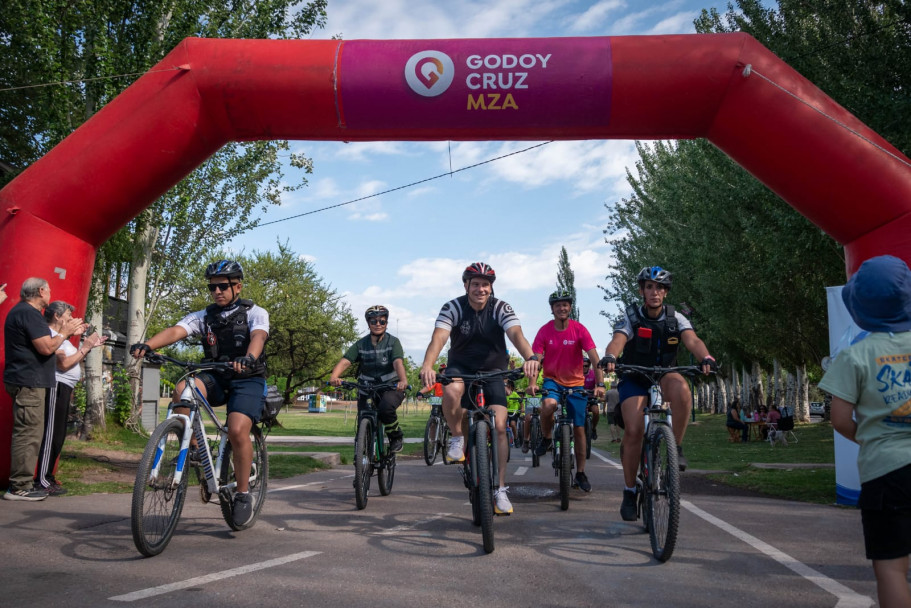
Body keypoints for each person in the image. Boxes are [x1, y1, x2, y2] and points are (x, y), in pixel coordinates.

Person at [130, 260, 268, 527]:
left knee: (238, 429)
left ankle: (242, 494)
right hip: (216, 375)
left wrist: (249, 358)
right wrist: (147, 344)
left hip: (247, 377)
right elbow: (176, 331)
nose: (217, 291)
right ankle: (193, 449)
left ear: (237, 286)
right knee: (182, 389)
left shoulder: (255, 312)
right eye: (213, 287)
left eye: (223, 286)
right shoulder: (203, 316)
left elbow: (259, 337)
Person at [819, 255, 911, 608]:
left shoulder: (855, 356)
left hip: (885, 473)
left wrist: (871, 438)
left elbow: (840, 418)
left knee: (891, 568)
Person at [419, 262, 540, 515]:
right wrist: (428, 365)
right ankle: (456, 437)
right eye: (476, 284)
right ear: (466, 285)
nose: (481, 289)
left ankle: (500, 489)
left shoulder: (500, 307)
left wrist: (530, 358)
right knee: (451, 391)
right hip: (460, 369)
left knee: (499, 427)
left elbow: (516, 334)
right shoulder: (452, 307)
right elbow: (438, 338)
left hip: (494, 371)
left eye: (486, 284)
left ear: (491, 287)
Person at [599, 266, 716, 521]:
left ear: (665, 292)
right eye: (649, 287)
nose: (655, 292)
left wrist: (705, 357)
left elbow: (693, 340)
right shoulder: (631, 316)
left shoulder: (677, 318)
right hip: (634, 376)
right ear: (642, 290)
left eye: (660, 287)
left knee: (683, 390)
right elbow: (618, 339)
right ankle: (630, 490)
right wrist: (610, 356)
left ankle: (675, 446)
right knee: (633, 430)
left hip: (665, 373)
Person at [4, 278, 84, 501]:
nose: (50, 294)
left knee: (31, 432)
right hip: (29, 382)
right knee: (28, 434)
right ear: (40, 291)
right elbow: (47, 347)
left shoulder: (23, 313)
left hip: (28, 380)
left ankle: (23, 483)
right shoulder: (28, 313)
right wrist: (65, 332)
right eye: (48, 289)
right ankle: (19, 486)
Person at [531, 289, 604, 492]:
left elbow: (595, 357)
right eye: (557, 305)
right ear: (552, 309)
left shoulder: (579, 329)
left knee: (579, 429)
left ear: (570, 307)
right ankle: (547, 438)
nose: (562, 308)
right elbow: (535, 359)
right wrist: (532, 382)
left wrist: (600, 384)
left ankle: (580, 473)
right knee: (548, 405)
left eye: (565, 304)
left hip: (576, 384)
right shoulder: (544, 331)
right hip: (552, 381)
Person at [35, 301, 107, 495]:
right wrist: (85, 347)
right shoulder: (51, 336)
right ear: (57, 317)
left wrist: (89, 346)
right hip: (56, 387)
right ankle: (41, 480)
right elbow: (64, 364)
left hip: (64, 389)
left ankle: (48, 477)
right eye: (68, 314)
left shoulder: (62, 339)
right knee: (51, 436)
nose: (72, 319)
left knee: (58, 436)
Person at [329, 305, 408, 453]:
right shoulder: (361, 344)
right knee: (362, 419)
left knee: (385, 409)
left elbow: (398, 362)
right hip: (366, 387)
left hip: (390, 387)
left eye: (382, 321)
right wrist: (334, 376)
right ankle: (362, 460)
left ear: (386, 323)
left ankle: (395, 436)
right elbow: (346, 360)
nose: (378, 324)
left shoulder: (393, 342)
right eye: (374, 321)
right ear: (368, 324)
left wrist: (402, 381)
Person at [582, 356, 602, 440]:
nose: (584, 367)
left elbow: (598, 384)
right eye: (582, 366)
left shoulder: (593, 373)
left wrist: (596, 390)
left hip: (590, 397)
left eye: (586, 366)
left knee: (596, 411)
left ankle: (593, 428)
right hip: (580, 397)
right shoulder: (576, 374)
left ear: (589, 366)